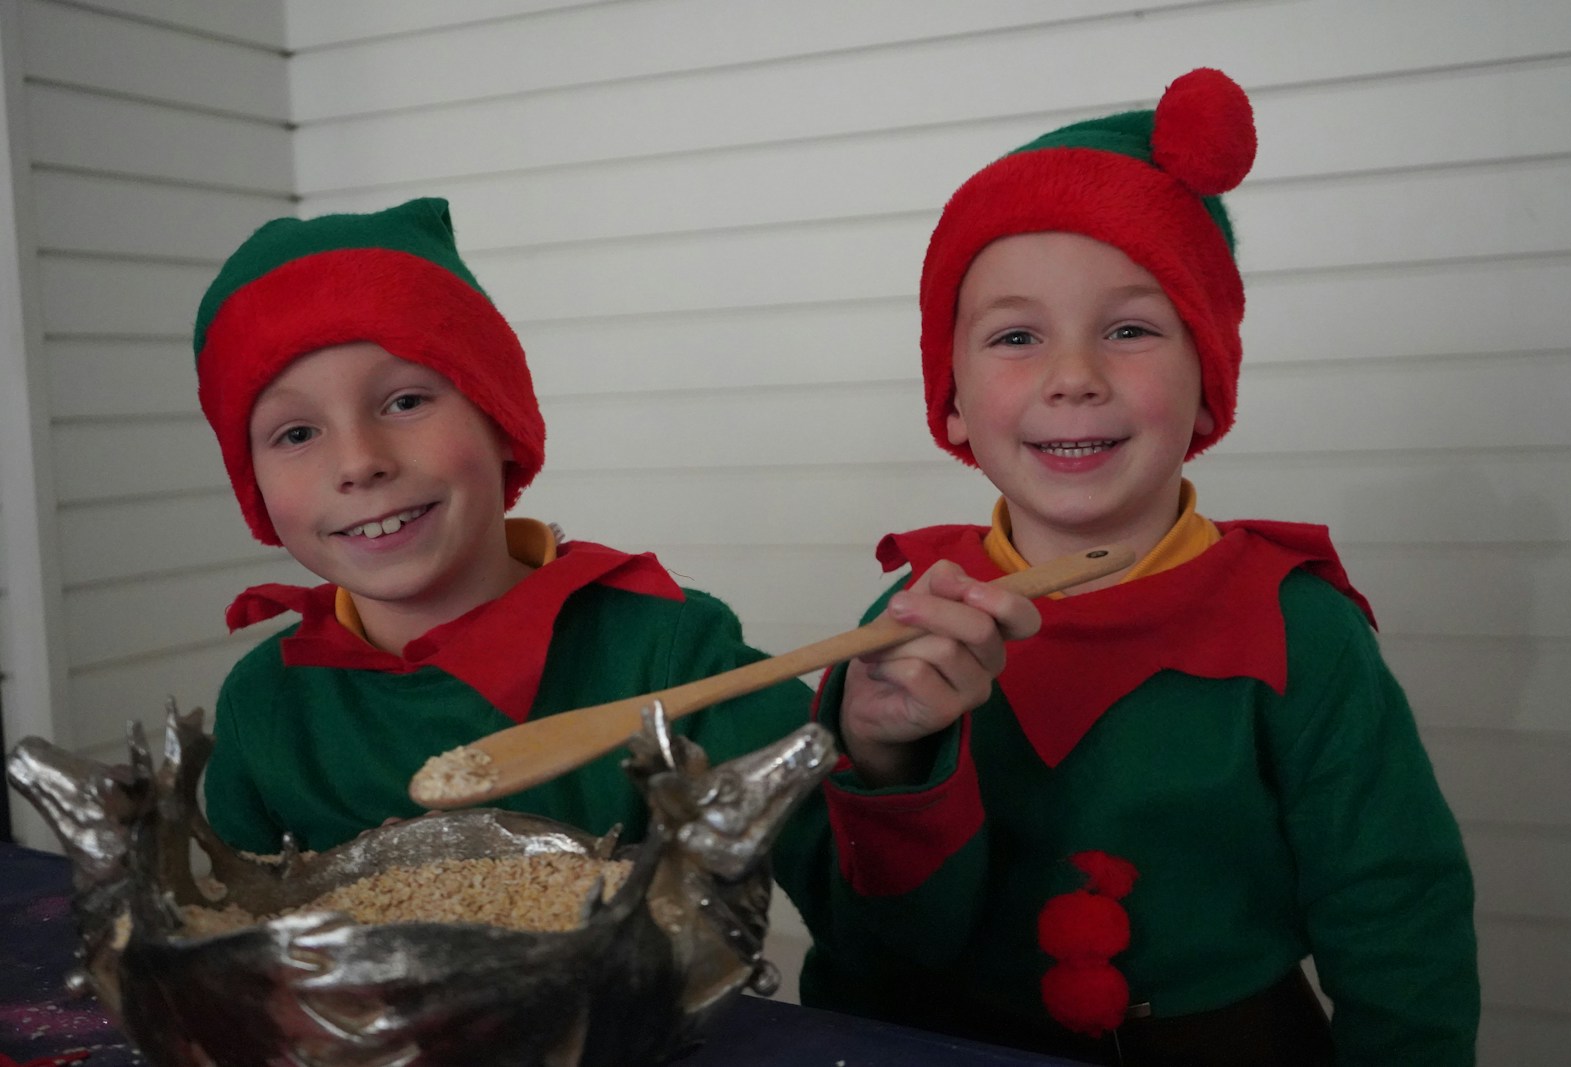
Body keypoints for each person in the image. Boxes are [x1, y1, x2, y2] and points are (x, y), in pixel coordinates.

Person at [796, 69, 1478, 1066]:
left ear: (1207, 388)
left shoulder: (1298, 627)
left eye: (1129, 328)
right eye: (1017, 336)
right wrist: (886, 753)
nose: (1074, 376)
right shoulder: (914, 618)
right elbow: (867, 946)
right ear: (950, 402)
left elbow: (1398, 916)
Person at [193, 196, 1038, 863]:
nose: (359, 461)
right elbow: (244, 952)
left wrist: (882, 749)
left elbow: (866, 904)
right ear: (257, 485)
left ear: (499, 419)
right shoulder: (268, 706)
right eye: (295, 433)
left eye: (406, 400)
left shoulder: (670, 656)